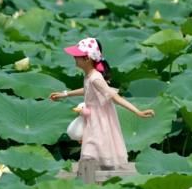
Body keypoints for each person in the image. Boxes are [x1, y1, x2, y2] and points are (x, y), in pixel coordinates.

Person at [50, 37, 155, 169]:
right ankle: (93, 181)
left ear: (87, 58)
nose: (74, 58)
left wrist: (138, 112)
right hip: (92, 118)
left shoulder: (95, 78)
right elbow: (87, 90)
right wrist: (65, 94)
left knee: (90, 153)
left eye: (77, 56)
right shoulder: (89, 76)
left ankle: (91, 181)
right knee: (92, 154)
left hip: (99, 121)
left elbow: (115, 97)